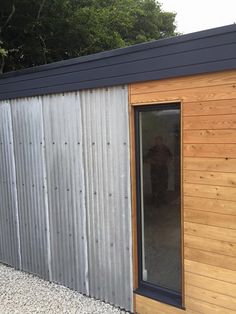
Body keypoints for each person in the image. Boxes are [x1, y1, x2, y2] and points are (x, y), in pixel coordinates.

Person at [144, 136, 172, 206]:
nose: (158, 142)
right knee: (155, 186)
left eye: (159, 140)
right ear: (155, 141)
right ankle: (155, 201)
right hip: (155, 171)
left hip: (163, 170)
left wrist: (165, 161)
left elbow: (170, 157)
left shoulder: (166, 149)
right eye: (157, 141)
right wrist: (154, 162)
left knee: (164, 185)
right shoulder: (152, 150)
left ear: (162, 141)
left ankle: (162, 200)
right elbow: (146, 159)